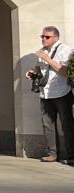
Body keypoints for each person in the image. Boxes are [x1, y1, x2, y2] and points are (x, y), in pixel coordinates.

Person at [34, 26, 74, 164]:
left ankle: (72, 156)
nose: (43, 39)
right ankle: (52, 153)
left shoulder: (65, 50)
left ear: (56, 38)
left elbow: (65, 72)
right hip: (45, 93)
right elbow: (39, 70)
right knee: (47, 125)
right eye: (42, 36)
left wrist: (48, 59)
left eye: (47, 37)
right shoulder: (42, 51)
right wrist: (33, 73)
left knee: (67, 125)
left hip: (62, 92)